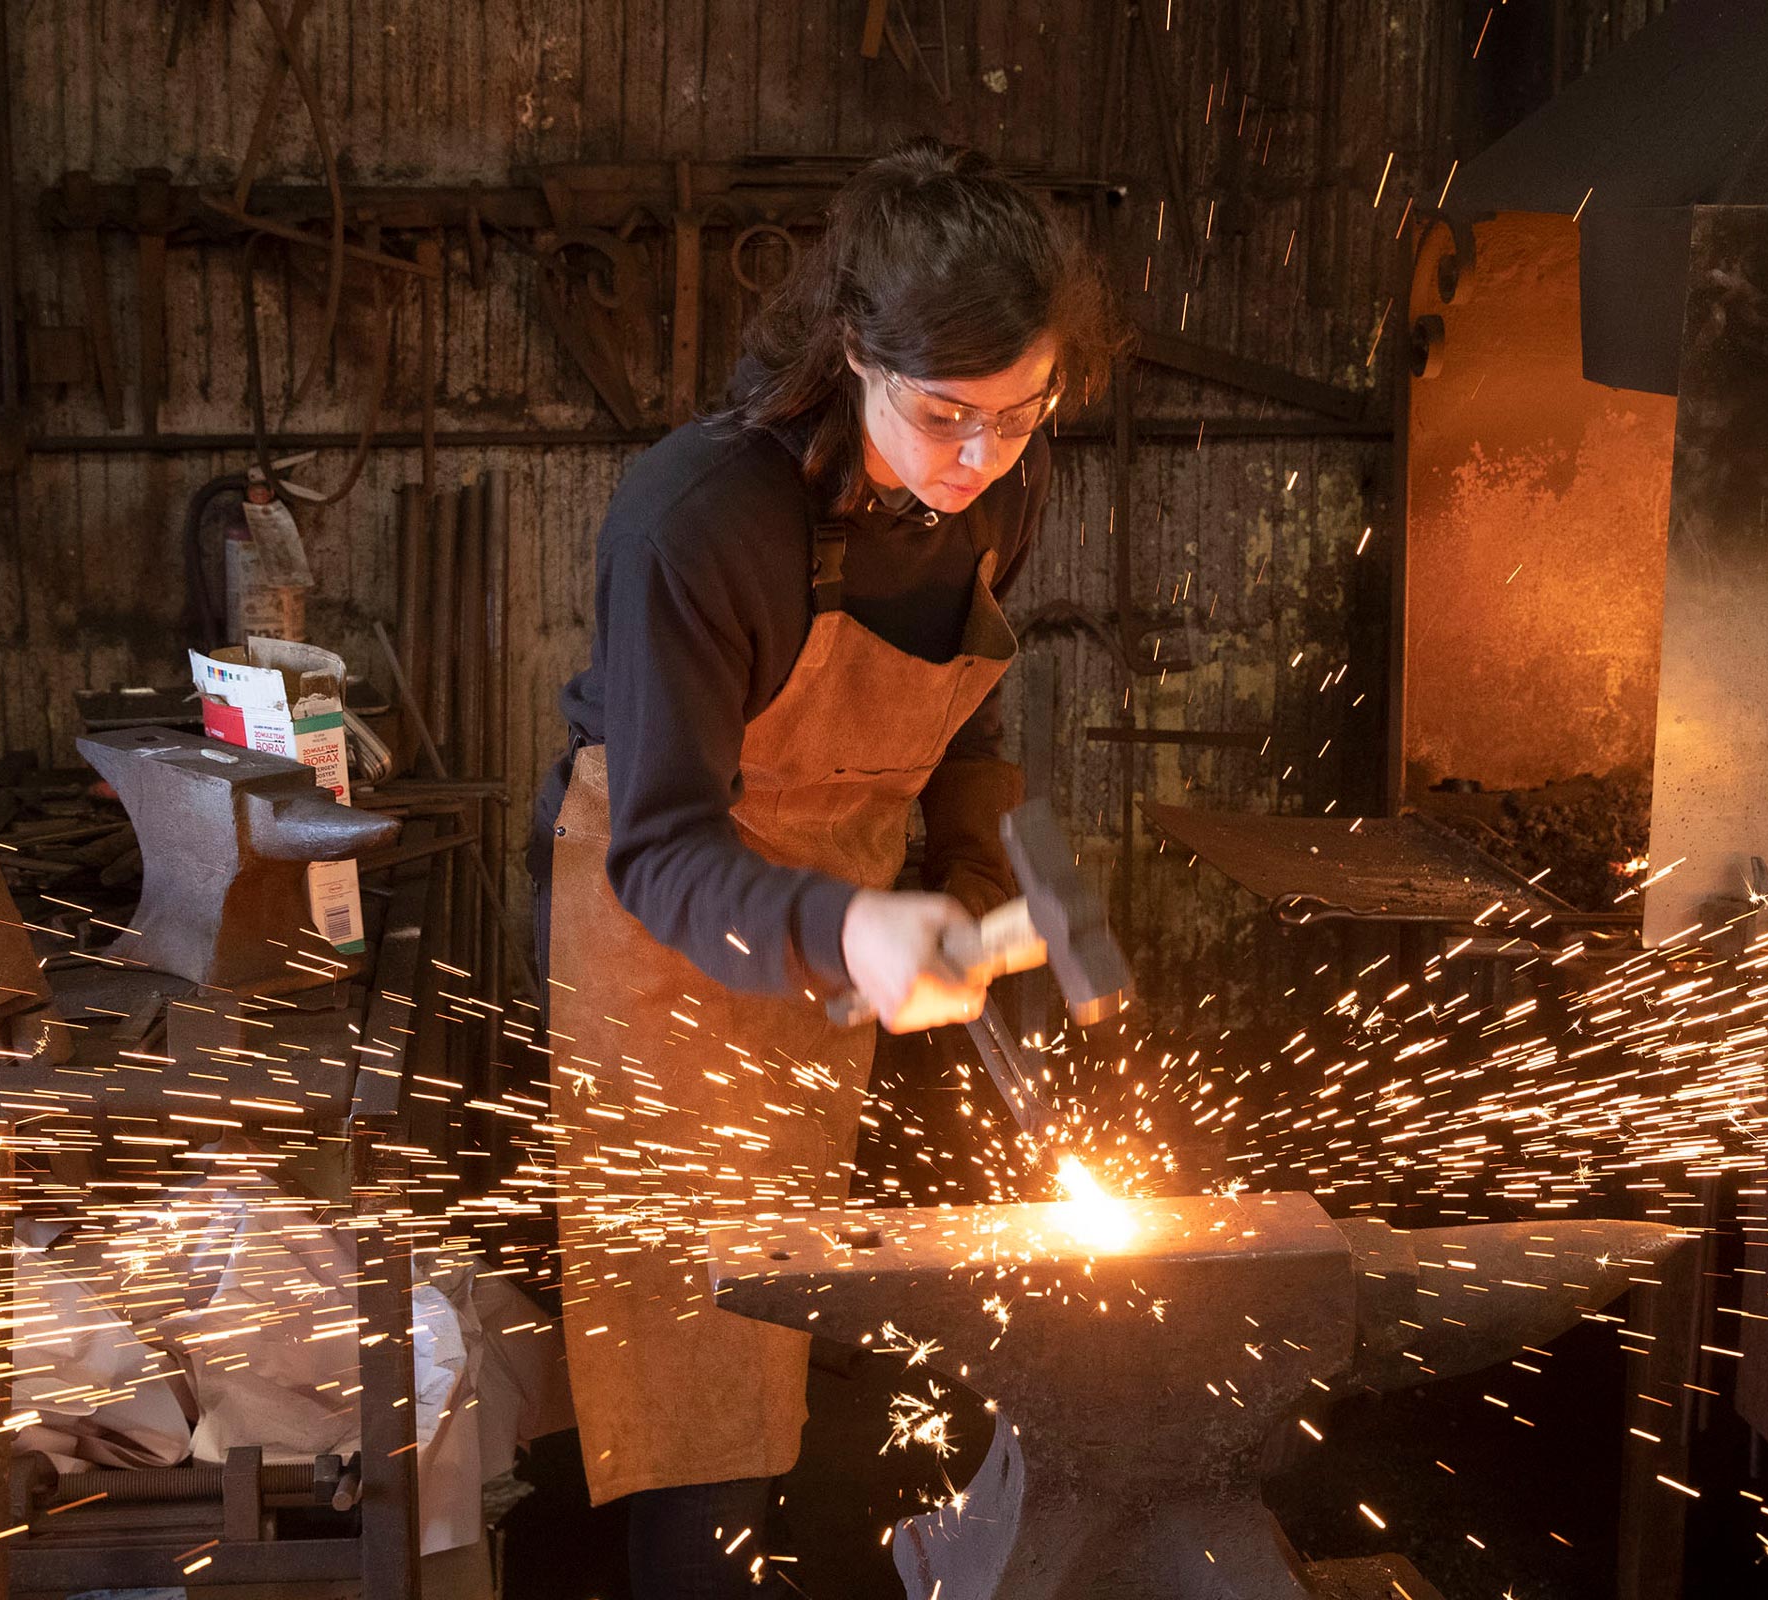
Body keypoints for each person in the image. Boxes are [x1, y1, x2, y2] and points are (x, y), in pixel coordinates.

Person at [526, 137, 1115, 1596]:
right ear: (855, 354)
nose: (981, 459)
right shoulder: (697, 522)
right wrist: (846, 932)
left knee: (814, 1299)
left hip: (857, 911)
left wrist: (984, 873)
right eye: (946, 416)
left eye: (1022, 417)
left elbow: (970, 708)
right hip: (668, 936)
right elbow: (661, 849)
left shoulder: (996, 491)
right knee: (696, 1351)